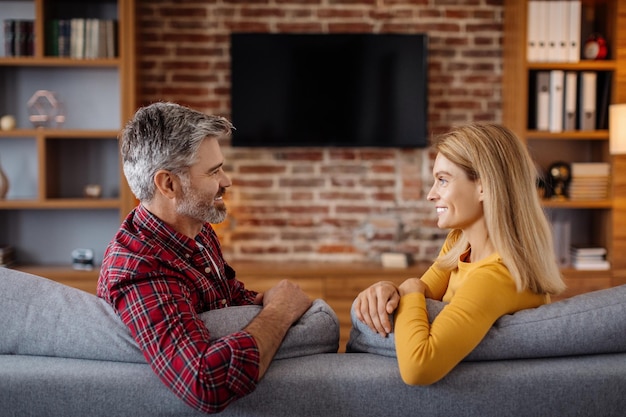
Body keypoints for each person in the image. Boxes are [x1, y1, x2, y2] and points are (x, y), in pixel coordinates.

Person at [97, 102, 312, 413]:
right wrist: (278, 313)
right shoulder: (139, 269)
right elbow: (204, 381)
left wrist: (271, 301)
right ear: (168, 184)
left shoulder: (194, 230)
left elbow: (227, 296)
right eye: (214, 171)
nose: (227, 181)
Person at [353, 123, 566, 385]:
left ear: (484, 187)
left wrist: (407, 288)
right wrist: (387, 288)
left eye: (443, 180)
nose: (431, 194)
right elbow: (423, 294)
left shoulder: (496, 276)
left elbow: (419, 367)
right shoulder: (460, 243)